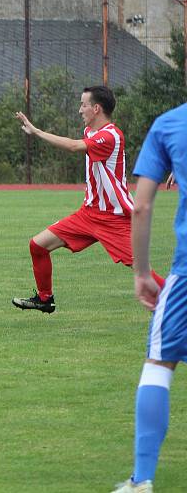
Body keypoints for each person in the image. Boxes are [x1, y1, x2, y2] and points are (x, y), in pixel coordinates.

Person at [11, 85, 164, 315]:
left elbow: (73, 147)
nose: (80, 109)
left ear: (96, 108)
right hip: (88, 214)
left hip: (114, 219)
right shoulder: (90, 132)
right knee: (38, 245)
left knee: (142, 270)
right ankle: (45, 299)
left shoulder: (111, 135)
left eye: (83, 105)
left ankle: (176, 302)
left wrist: (37, 131)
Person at [109, 102, 187, 493]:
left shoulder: (170, 124)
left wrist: (141, 273)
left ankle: (142, 480)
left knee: (160, 363)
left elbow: (140, 205)